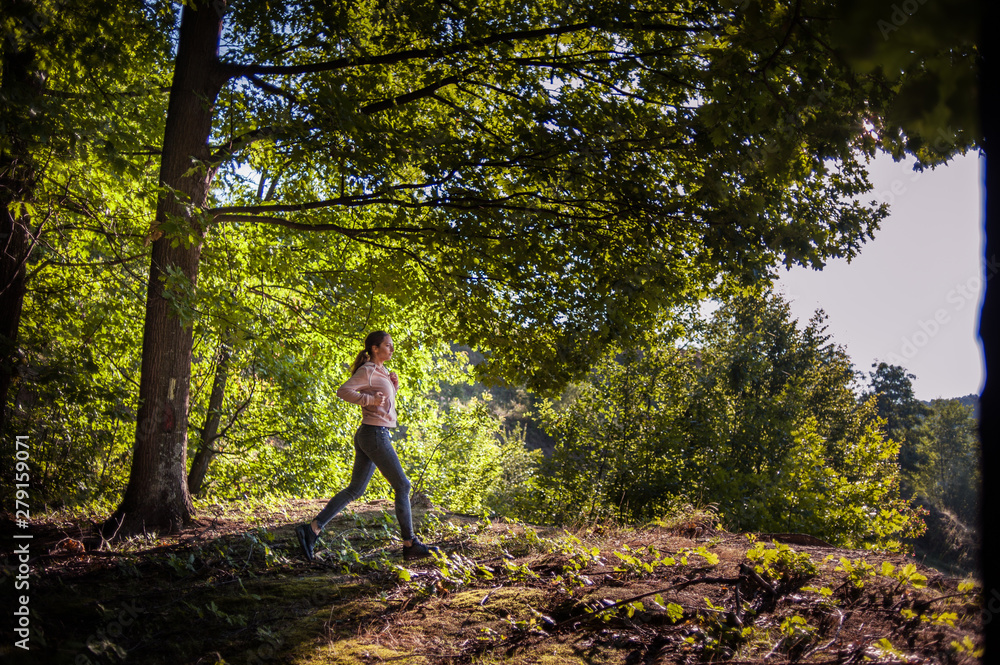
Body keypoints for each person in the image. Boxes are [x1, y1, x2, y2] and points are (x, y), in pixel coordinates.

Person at [295, 331, 434, 561]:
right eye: (388, 345)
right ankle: (410, 544)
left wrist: (393, 388)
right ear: (375, 348)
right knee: (403, 485)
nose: (391, 349)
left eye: (392, 345)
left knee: (355, 490)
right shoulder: (368, 370)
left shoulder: (381, 372)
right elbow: (343, 391)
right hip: (374, 435)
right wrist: (368, 400)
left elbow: (382, 404)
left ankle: (311, 530)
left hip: (371, 433)